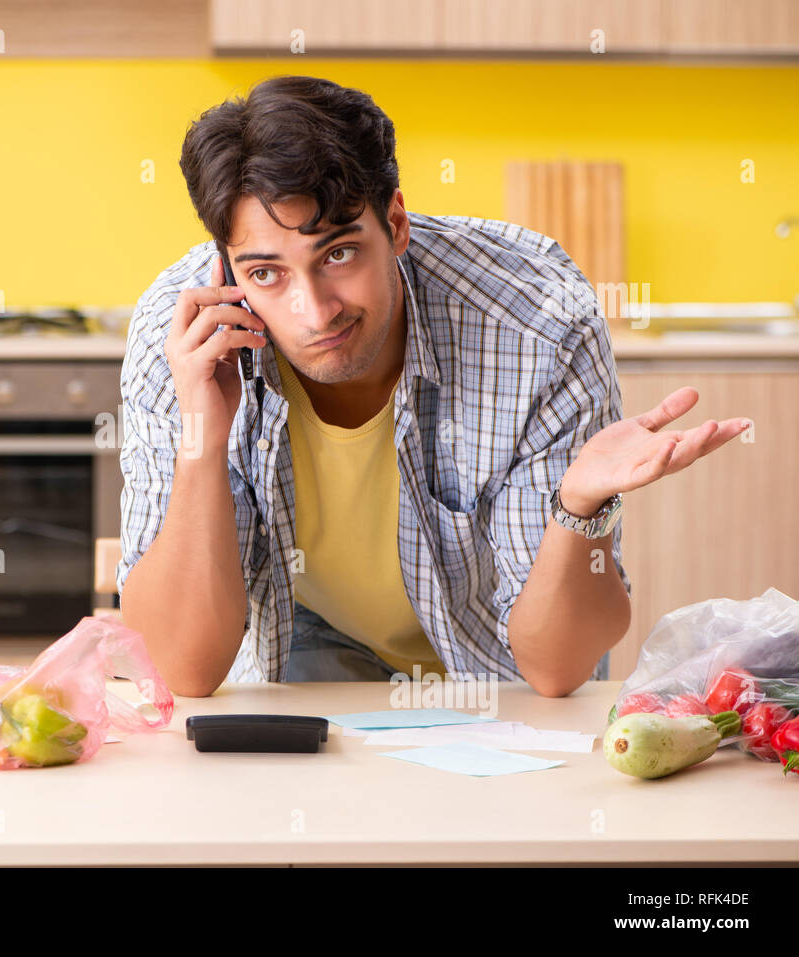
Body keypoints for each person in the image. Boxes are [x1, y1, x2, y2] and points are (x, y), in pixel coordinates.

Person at [116, 75, 751, 698]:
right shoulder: (186, 339)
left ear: (394, 222)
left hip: (495, 677)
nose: (314, 312)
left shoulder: (538, 322)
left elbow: (557, 670)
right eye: (267, 272)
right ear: (227, 269)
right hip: (309, 645)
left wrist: (579, 510)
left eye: (337, 254)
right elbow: (180, 670)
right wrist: (203, 437)